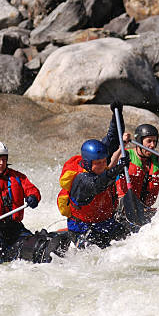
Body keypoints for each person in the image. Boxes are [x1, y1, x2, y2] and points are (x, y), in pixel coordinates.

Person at [57, 102, 131, 249]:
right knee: (95, 250)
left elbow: (113, 138)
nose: (103, 165)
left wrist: (117, 114)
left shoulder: (100, 158)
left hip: (105, 222)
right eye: (98, 163)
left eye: (104, 161)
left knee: (129, 239)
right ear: (88, 163)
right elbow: (98, 184)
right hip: (82, 227)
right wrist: (118, 169)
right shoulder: (81, 179)